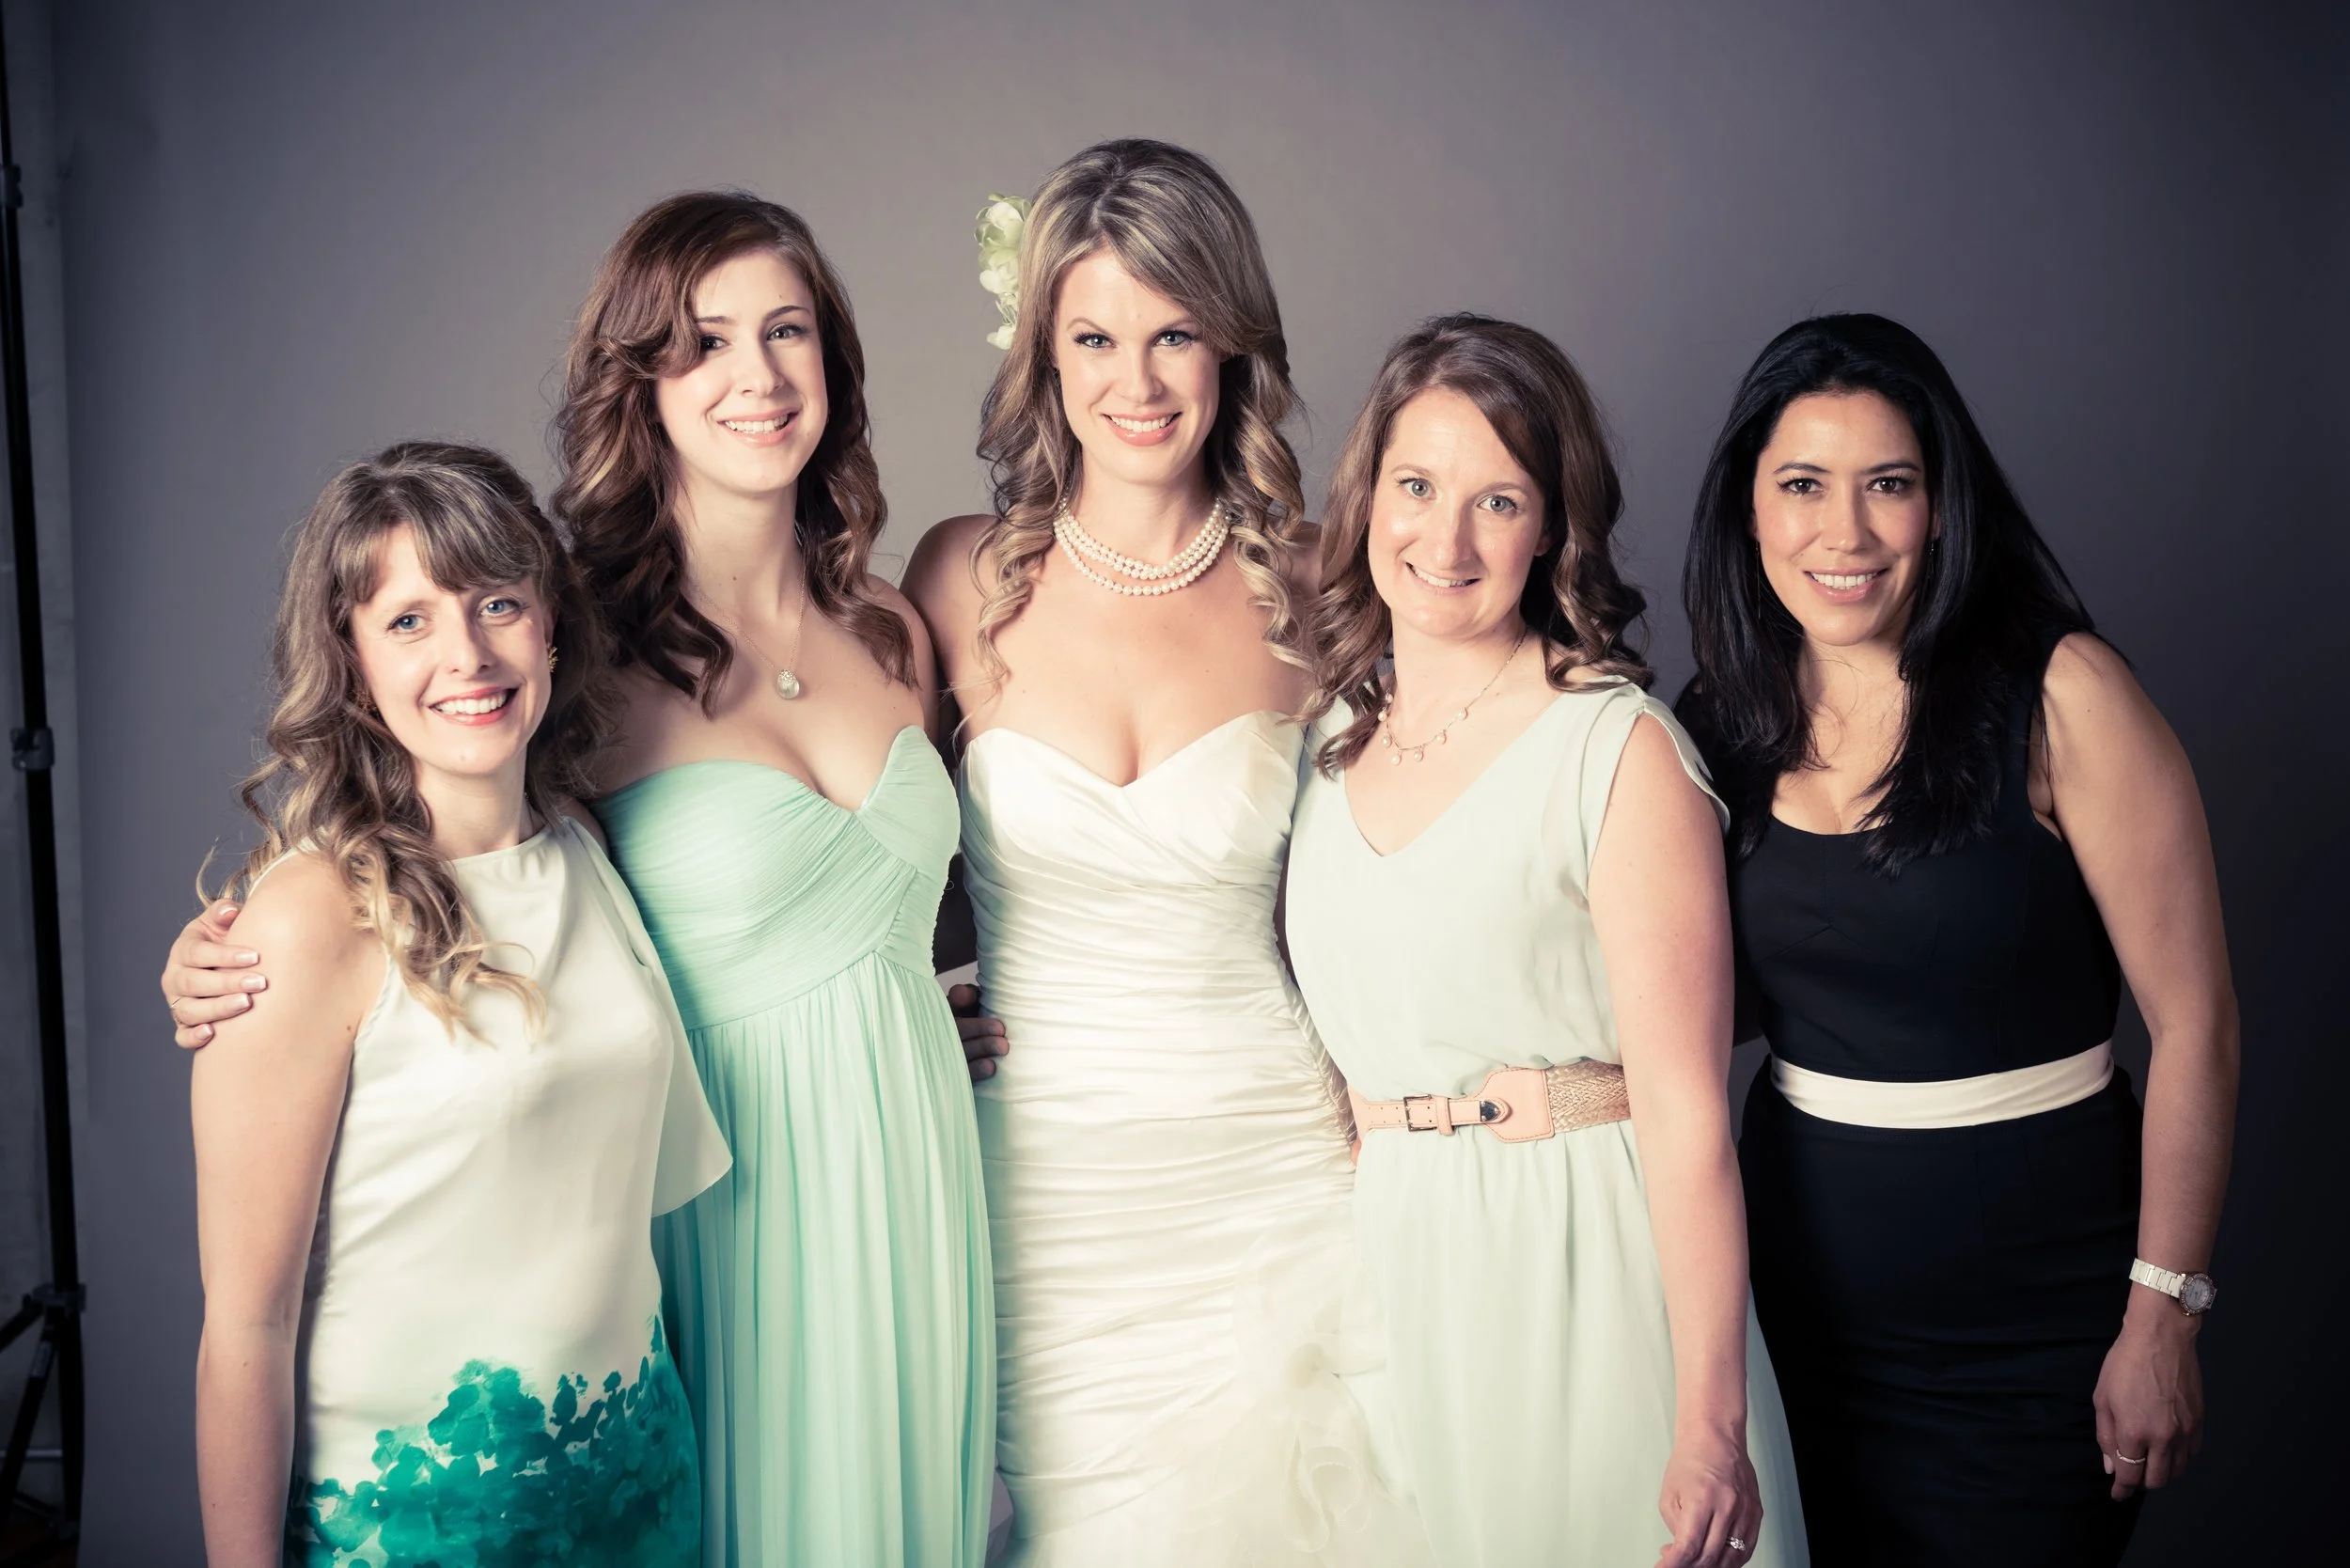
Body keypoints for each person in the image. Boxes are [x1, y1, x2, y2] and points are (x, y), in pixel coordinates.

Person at [166, 193, 998, 1568]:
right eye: (704, 342)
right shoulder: (576, 649)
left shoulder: (896, 629)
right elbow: (422, 835)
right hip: (720, 1226)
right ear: (640, 383)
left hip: (913, 1185)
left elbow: (915, 903)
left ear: (835, 360)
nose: (756, 374)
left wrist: (910, 1010)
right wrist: (224, 951)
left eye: (788, 331)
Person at [905, 139, 1413, 1565]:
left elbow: (1432, 835)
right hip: (1044, 1187)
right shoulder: (956, 578)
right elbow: (852, 837)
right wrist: (907, 1009)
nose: (1136, 381)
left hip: (1274, 1159)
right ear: (1043, 357)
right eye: (1095, 339)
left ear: (1231, 344)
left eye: (1174, 333)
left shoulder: (1315, 581)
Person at [1675, 313, 2237, 1566]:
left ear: (1941, 508)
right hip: (1795, 1316)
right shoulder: (1718, 719)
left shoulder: (2064, 695)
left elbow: (2197, 1024)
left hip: (2033, 1331)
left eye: (1888, 485)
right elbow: (1698, 1010)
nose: (1845, 533)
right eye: (1802, 486)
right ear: (1749, 508)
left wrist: (2165, 1314)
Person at [1285, 315, 1806, 1568]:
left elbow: (1685, 1112)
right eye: (1416, 486)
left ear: (1552, 528)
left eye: (1498, 501)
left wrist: (1710, 1422)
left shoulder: (1615, 751)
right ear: (1367, 499)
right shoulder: (1325, 742)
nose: (1446, 540)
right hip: (1395, 1271)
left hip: (1581, 1258)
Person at [187, 443, 729, 1565]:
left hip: (636, 1481)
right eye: (409, 621)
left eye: (496, 604)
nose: (467, 655)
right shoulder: (308, 918)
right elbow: (245, 1324)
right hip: (415, 1514)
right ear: (351, 662)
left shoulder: (585, 845)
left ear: (549, 624)